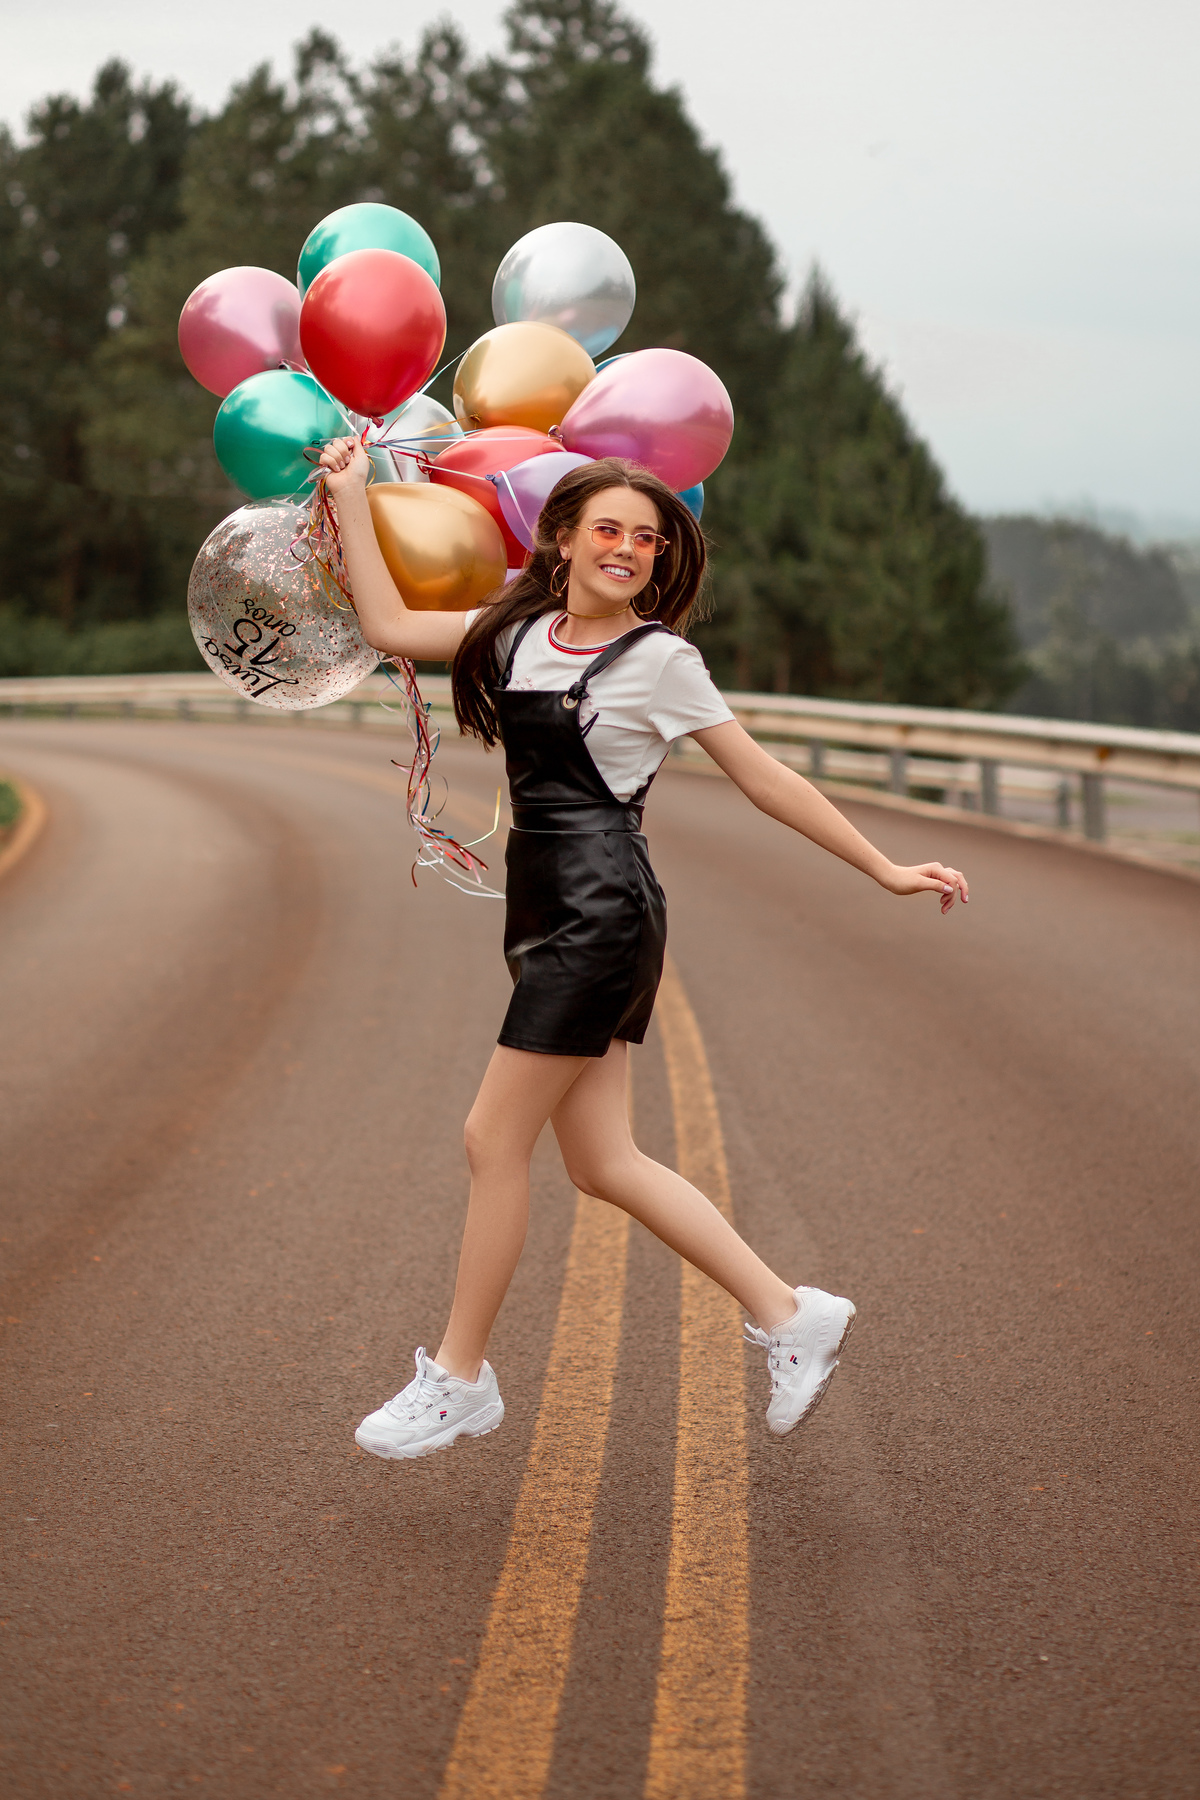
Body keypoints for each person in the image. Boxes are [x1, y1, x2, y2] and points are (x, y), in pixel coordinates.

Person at [317, 438, 969, 1461]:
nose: (629, 549)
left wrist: (885, 868)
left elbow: (766, 781)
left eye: (648, 540)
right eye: (609, 529)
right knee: (604, 1162)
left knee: (494, 1140)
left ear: (661, 563)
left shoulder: (660, 662)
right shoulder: (516, 633)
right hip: (543, 912)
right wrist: (353, 495)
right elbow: (386, 624)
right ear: (562, 540)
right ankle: (789, 1311)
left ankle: (460, 1377)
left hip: (600, 916)